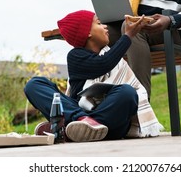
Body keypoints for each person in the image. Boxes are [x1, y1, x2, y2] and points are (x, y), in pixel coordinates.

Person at [24, 10, 163, 143]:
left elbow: (108, 60)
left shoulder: (110, 53)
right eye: (99, 23)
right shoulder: (76, 56)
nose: (105, 27)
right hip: (81, 112)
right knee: (34, 84)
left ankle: (69, 130)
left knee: (128, 92)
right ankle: (82, 121)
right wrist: (128, 36)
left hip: (113, 120)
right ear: (88, 32)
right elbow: (103, 64)